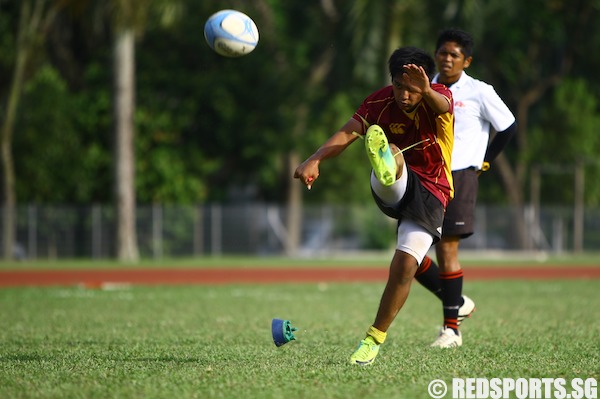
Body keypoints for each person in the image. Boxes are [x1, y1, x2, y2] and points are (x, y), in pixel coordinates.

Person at [294, 46, 454, 366]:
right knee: (391, 148)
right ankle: (386, 164)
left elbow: (444, 105)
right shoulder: (378, 102)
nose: (404, 95)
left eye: (412, 88)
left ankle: (372, 340)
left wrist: (426, 89)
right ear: (391, 81)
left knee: (405, 266)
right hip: (392, 185)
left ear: (423, 82)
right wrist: (315, 158)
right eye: (399, 85)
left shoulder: (437, 94)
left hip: (433, 190)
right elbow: (347, 132)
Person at [415, 28, 517, 348]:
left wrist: (485, 161)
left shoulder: (479, 91)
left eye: (454, 55)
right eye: (442, 53)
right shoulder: (425, 86)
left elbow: (508, 126)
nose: (447, 59)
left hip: (460, 176)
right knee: (411, 255)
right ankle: (456, 301)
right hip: (426, 176)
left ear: (466, 61)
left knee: (447, 251)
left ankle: (451, 331)